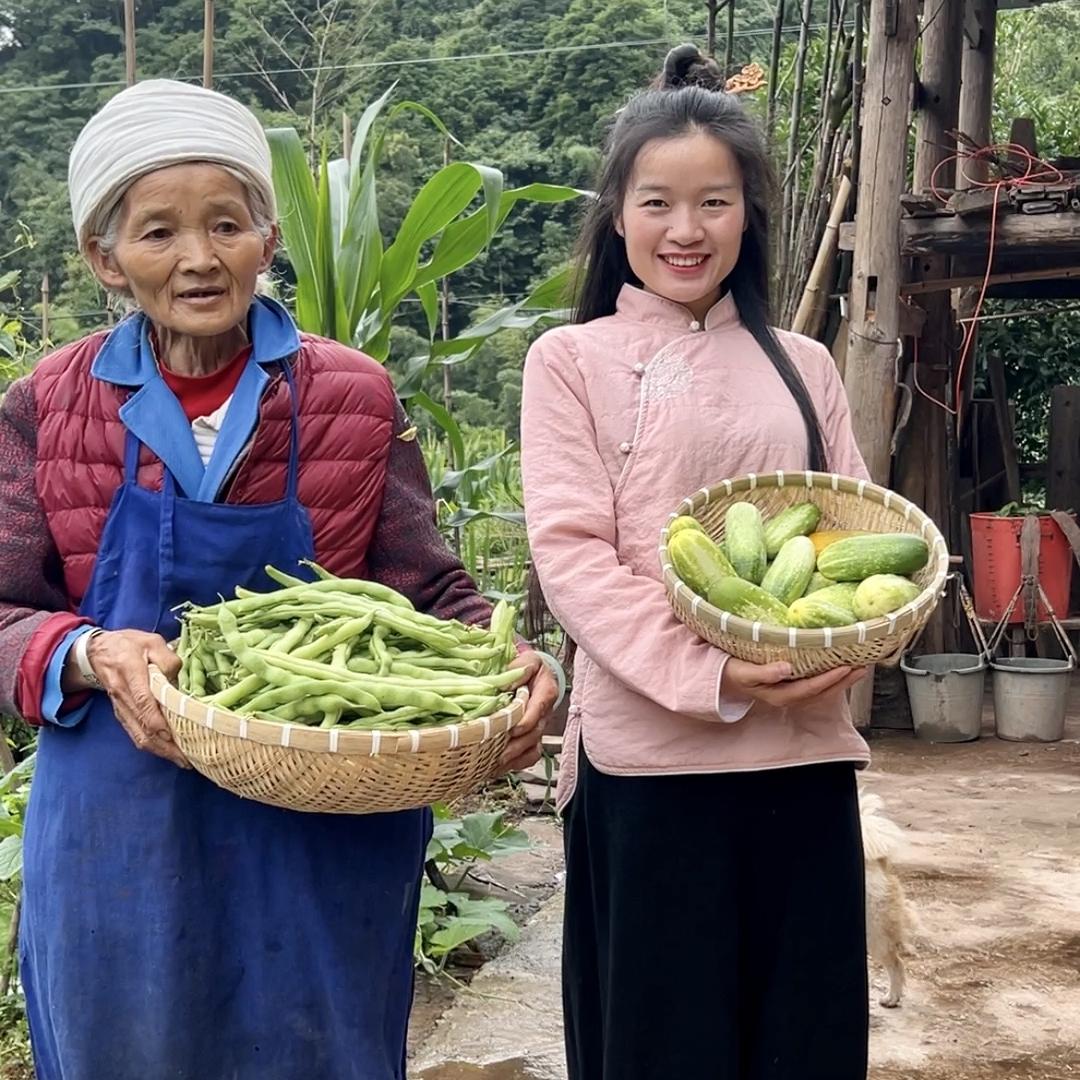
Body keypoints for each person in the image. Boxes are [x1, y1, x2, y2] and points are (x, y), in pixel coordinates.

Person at [0, 78, 555, 1080]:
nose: (199, 258)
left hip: (323, 820)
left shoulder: (350, 394)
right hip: (122, 830)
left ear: (269, 233)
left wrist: (507, 663)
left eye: (227, 223)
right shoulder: (50, 402)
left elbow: (427, 591)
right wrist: (82, 650)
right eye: (158, 232)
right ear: (105, 258)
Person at [521, 45, 872, 1080]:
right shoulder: (569, 362)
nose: (686, 231)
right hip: (649, 765)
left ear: (747, 214)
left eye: (713, 202)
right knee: (659, 1045)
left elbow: (852, 530)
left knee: (801, 1042)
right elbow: (572, 555)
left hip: (804, 750)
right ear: (617, 215)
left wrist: (848, 644)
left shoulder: (804, 364)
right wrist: (712, 670)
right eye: (658, 203)